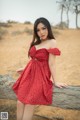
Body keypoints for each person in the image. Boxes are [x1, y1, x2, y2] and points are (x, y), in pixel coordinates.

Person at [12, 17, 67, 120]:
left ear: (48, 28)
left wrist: (56, 81)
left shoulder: (52, 42)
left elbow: (52, 64)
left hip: (40, 76)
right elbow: (34, 60)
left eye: (43, 28)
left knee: (29, 102)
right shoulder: (37, 42)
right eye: (38, 30)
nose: (41, 32)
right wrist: (25, 68)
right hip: (29, 73)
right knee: (20, 102)